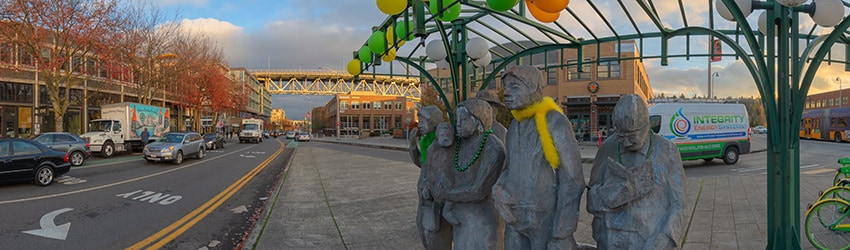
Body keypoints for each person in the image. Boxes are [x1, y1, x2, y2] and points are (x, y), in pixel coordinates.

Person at [491, 65, 585, 249]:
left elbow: (573, 180)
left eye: (515, 87)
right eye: (505, 88)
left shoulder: (554, 121)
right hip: (514, 220)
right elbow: (510, 168)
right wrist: (499, 187)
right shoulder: (514, 127)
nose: (507, 93)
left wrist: (562, 232)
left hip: (544, 221)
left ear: (534, 89)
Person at [586, 94, 685, 249]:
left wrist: (665, 239)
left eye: (632, 136)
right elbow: (591, 201)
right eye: (620, 135)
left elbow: (678, 205)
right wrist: (620, 192)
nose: (625, 141)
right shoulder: (607, 149)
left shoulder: (668, 151)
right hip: (611, 240)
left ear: (647, 125)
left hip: (651, 242)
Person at [431, 99, 505, 249]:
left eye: (463, 120)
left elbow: (478, 191)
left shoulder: (493, 147)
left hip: (481, 221)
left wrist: (446, 194)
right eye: (457, 119)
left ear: (478, 121)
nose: (458, 124)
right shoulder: (459, 143)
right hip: (459, 219)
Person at [408, 105, 452, 249]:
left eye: (422, 121)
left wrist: (431, 188)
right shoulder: (427, 141)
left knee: (435, 236)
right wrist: (412, 145)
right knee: (424, 232)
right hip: (424, 198)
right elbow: (422, 163)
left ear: (433, 122)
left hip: (435, 200)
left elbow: (444, 172)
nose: (419, 124)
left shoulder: (442, 144)